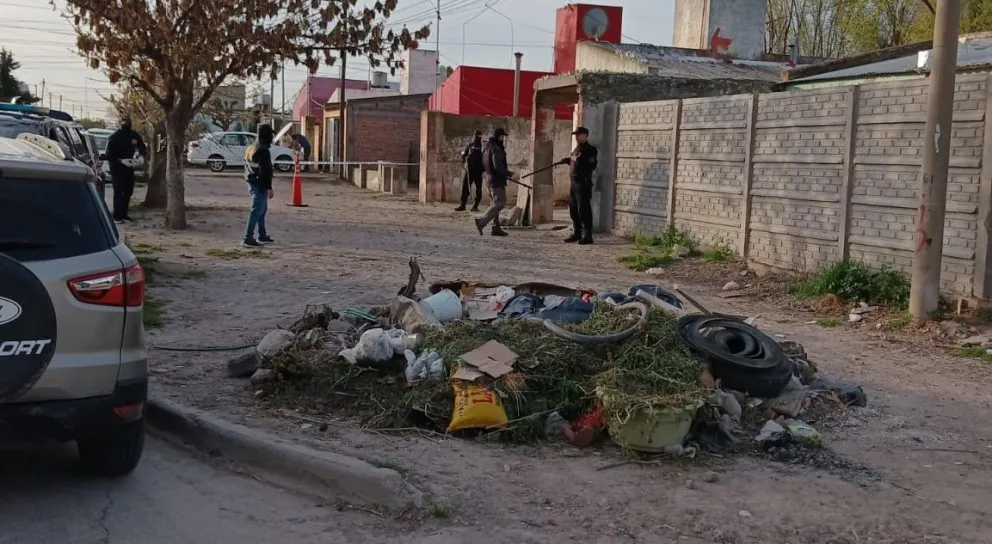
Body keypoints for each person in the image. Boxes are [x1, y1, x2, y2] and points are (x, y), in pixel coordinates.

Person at [475, 128, 519, 237]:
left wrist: (484, 173)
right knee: (500, 202)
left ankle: (496, 228)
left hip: (488, 179)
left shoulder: (486, 147)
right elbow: (498, 167)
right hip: (496, 181)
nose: (504, 139)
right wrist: (511, 174)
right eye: (503, 136)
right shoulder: (496, 149)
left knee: (494, 204)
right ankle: (482, 221)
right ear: (500, 136)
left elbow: (483, 163)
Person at [559, 126, 598, 245]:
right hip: (574, 183)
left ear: (585, 135)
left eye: (579, 134)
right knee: (573, 209)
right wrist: (569, 160)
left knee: (583, 209)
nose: (576, 137)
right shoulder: (577, 149)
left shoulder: (590, 150)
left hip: (583, 183)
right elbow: (574, 161)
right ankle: (577, 233)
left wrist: (578, 161)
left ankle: (588, 235)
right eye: (576, 135)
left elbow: (591, 165)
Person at [105, 116, 148, 224]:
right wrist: (120, 160)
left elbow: (142, 147)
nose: (126, 124)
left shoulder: (134, 135)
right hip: (117, 168)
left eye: (127, 122)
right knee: (119, 191)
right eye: (124, 122)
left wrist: (141, 156)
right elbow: (109, 154)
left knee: (128, 190)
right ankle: (117, 216)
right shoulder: (115, 137)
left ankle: (124, 214)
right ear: (121, 124)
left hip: (129, 167)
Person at [243, 124, 275, 247]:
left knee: (262, 210)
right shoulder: (263, 150)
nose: (272, 137)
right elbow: (265, 171)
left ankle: (262, 235)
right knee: (257, 210)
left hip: (251, 182)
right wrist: (269, 188)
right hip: (259, 184)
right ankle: (248, 238)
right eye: (271, 134)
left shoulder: (251, 148)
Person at [455, 130, 484, 212]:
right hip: (469, 171)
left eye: (478, 135)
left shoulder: (483, 146)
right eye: (476, 135)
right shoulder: (470, 145)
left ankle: (475, 206)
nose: (477, 137)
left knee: (478, 189)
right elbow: (464, 156)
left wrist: (484, 170)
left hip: (479, 171)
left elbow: (485, 159)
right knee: (465, 187)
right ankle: (462, 205)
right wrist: (464, 162)